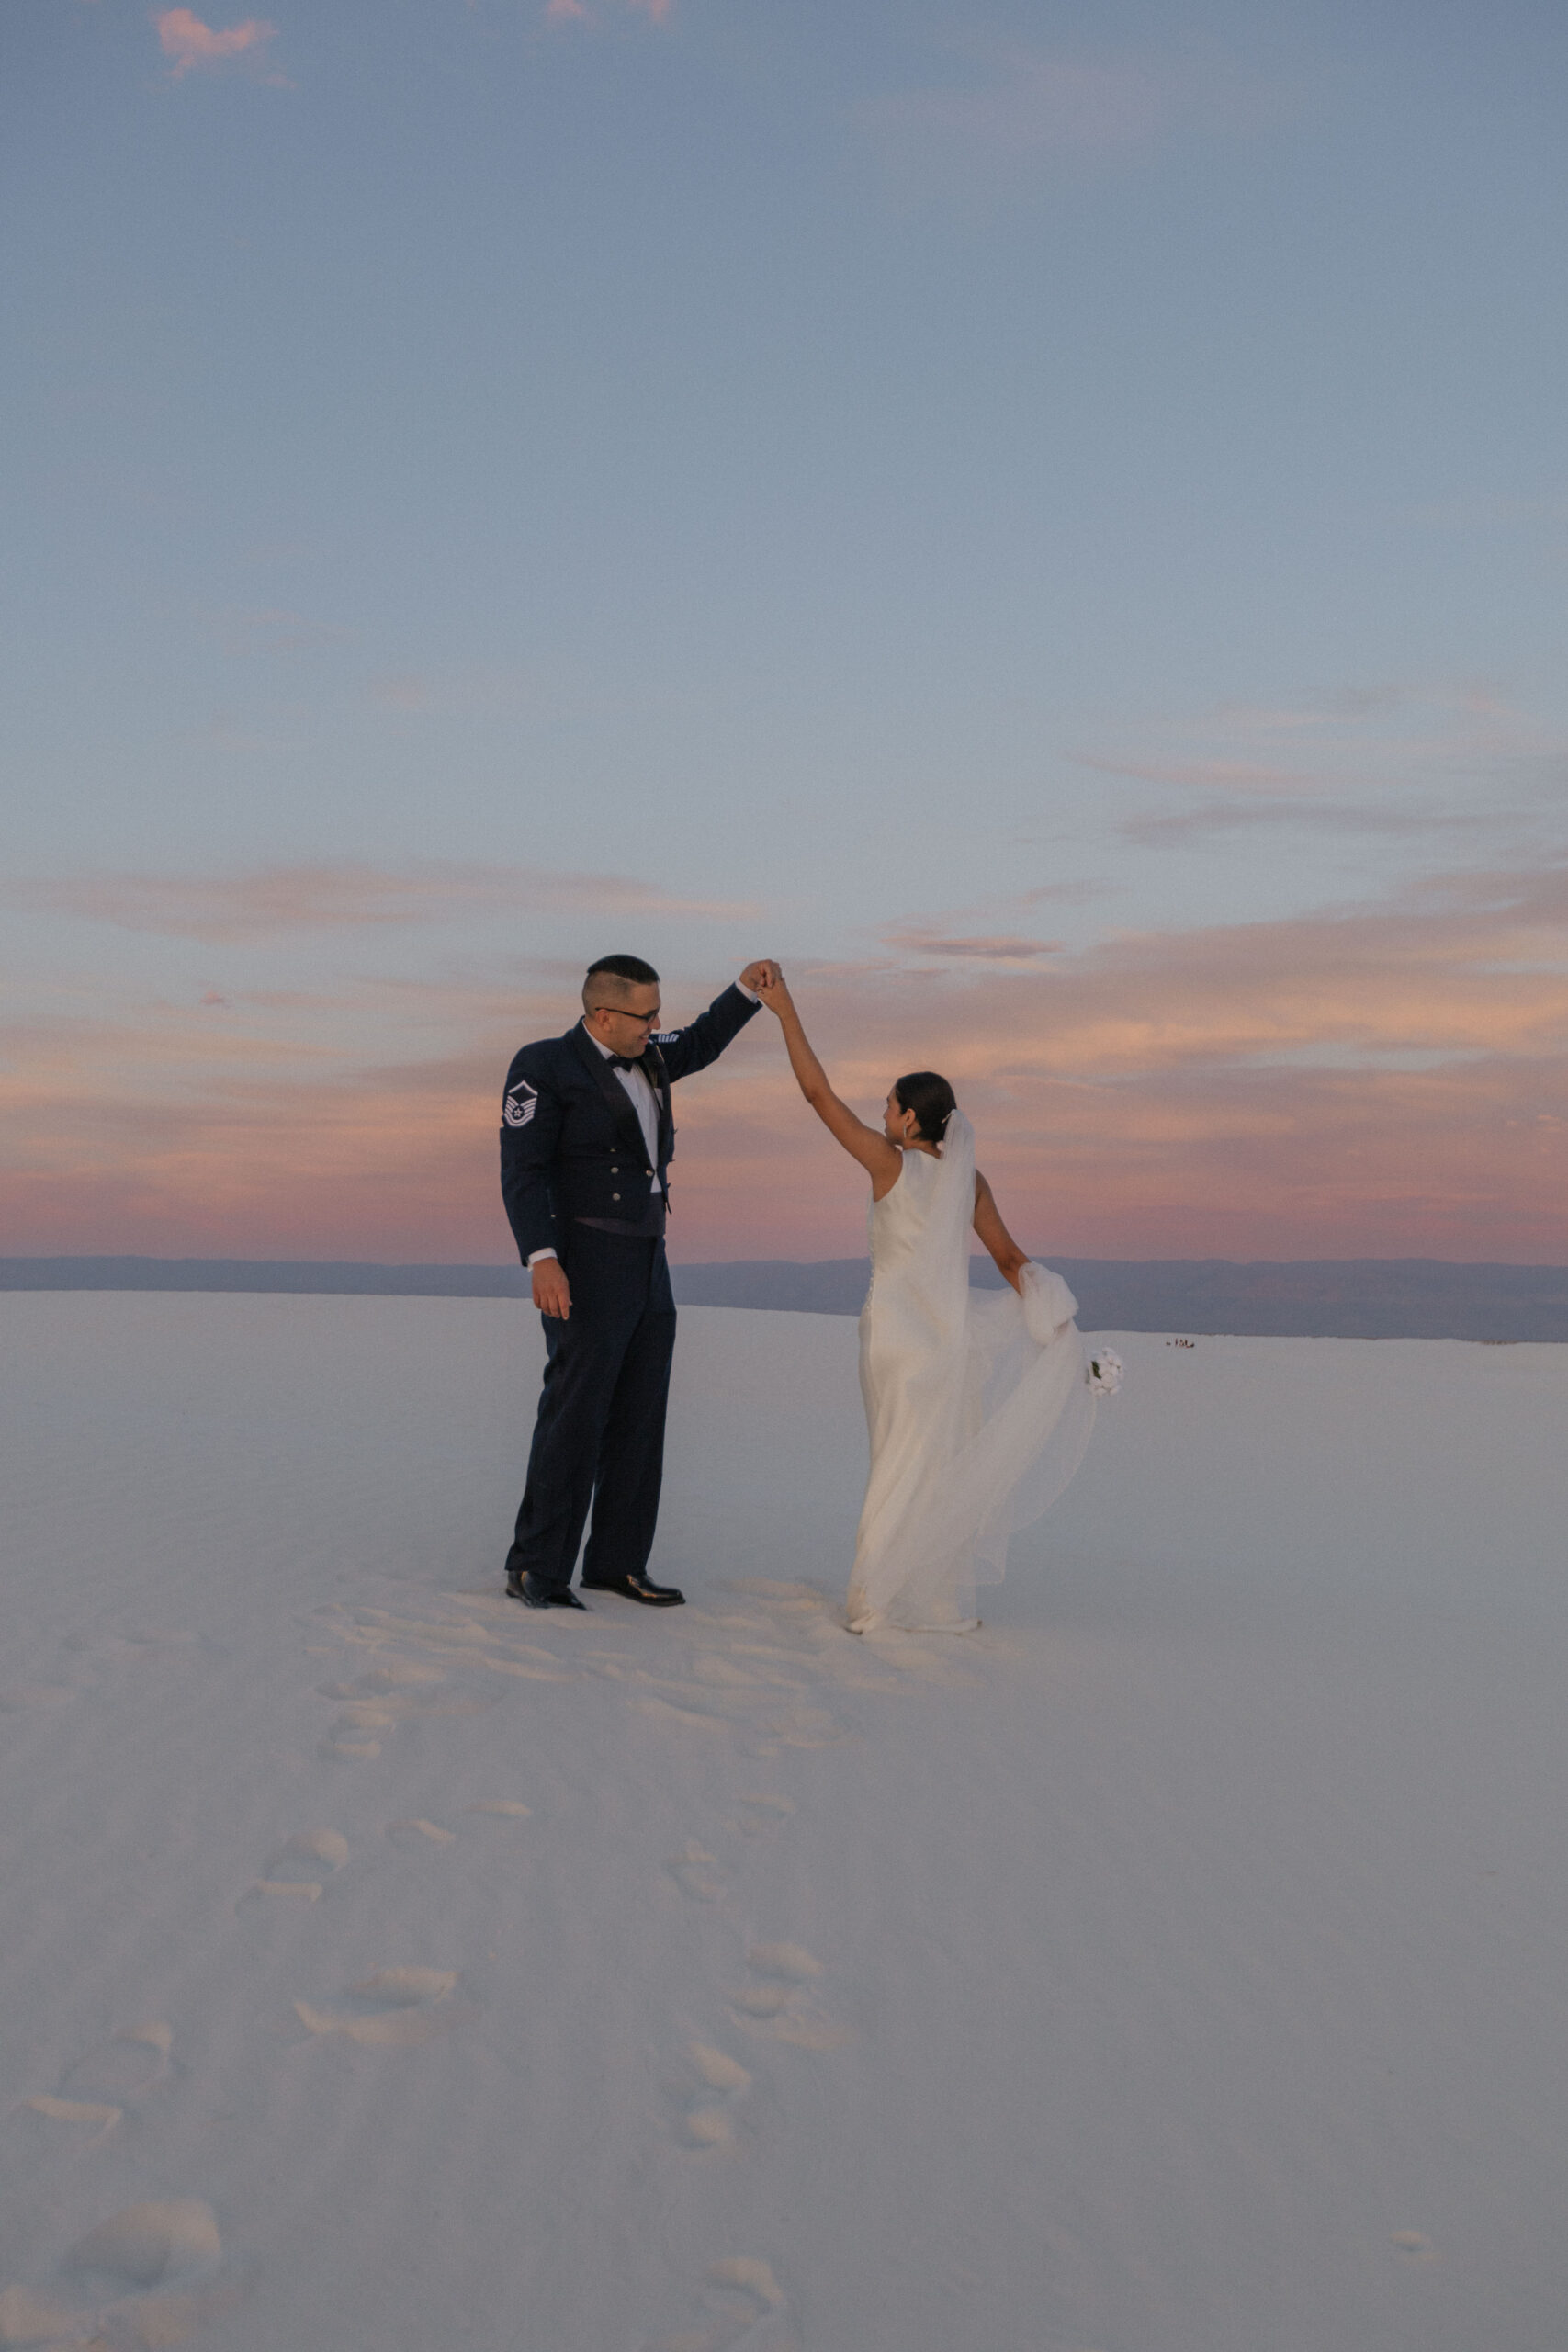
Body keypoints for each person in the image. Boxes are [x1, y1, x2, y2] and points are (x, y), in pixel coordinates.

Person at [754, 967, 1096, 1633]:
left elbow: (817, 1096)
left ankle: (875, 1600)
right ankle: (932, 1597)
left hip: (893, 1340)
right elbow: (1009, 1260)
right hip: (948, 1344)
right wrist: (1051, 1317)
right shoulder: (968, 1183)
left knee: (894, 1462)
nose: (880, 1114)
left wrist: (785, 1013)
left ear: (910, 1118)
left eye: (887, 1106)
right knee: (934, 1464)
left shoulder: (891, 1165)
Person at [499, 954, 776, 1611]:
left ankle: (617, 1563)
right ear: (602, 1014)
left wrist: (745, 989)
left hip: (649, 1257)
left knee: (639, 1416)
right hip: (583, 1258)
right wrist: (541, 1256)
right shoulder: (542, 1066)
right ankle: (535, 1567)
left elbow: (702, 1040)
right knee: (574, 1413)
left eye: (657, 1012)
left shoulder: (649, 1053)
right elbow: (523, 1168)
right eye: (645, 1014)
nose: (657, 1024)